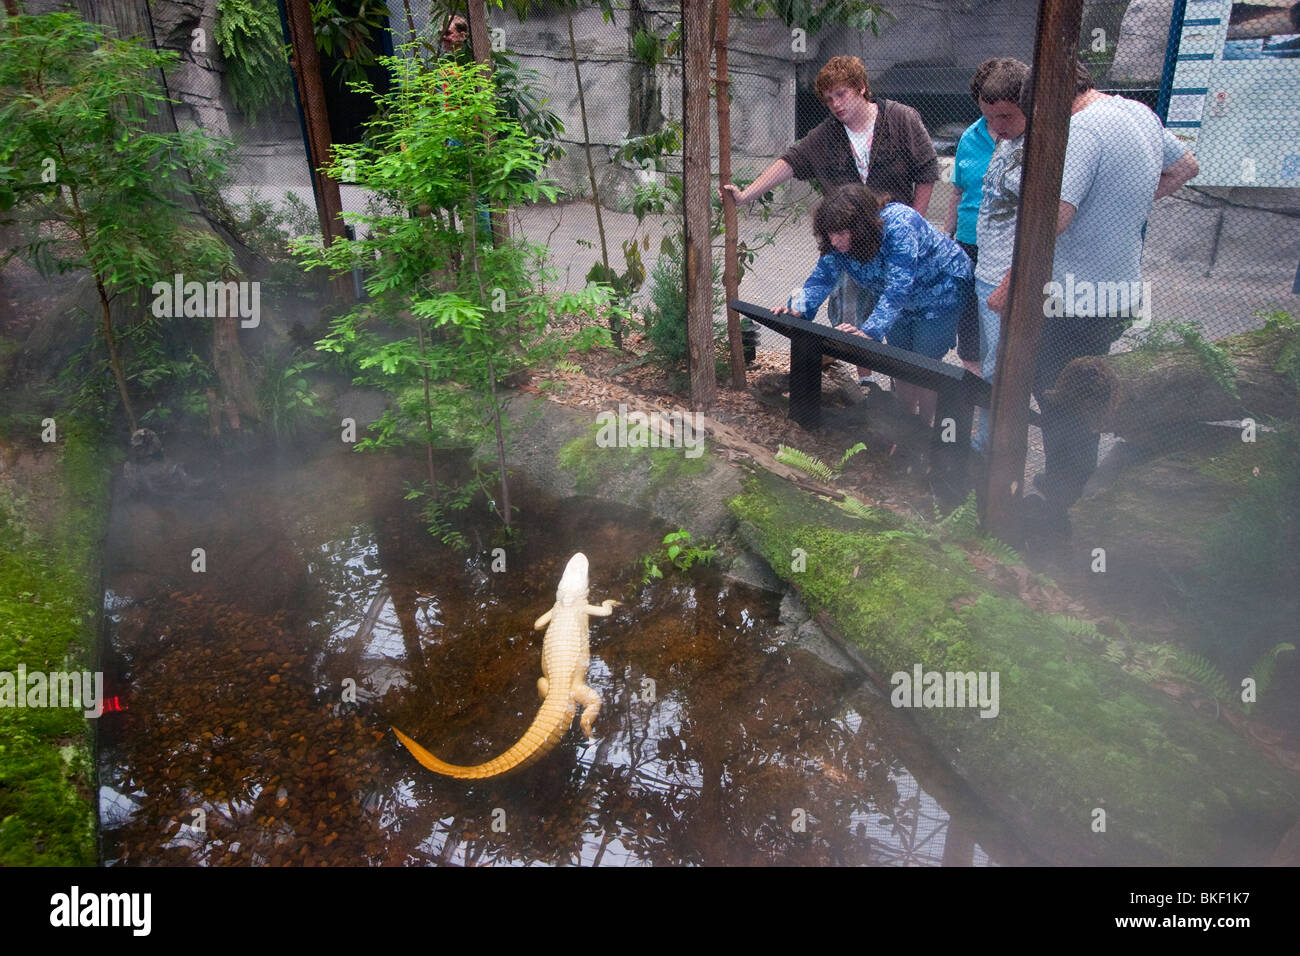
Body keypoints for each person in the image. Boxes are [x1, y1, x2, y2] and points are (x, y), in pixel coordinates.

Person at [986, 61, 1199, 532]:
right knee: (1077, 389)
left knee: (1062, 398)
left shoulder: (1079, 131)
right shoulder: (1139, 113)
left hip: (1072, 298)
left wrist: (1008, 285)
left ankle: (1058, 504)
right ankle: (1064, 493)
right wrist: (1122, 209)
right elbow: (1186, 165)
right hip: (1118, 291)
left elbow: (1050, 222)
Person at [721, 56, 939, 341]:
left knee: (896, 310)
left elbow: (926, 171)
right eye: (828, 99)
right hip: (849, 240)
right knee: (850, 314)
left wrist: (915, 225)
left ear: (861, 88)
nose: (836, 104)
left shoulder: (900, 118)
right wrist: (745, 195)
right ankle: (867, 380)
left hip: (892, 237)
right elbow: (790, 161)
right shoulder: (826, 135)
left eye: (841, 94)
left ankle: (895, 376)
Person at [775, 184, 973, 427]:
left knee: (925, 366)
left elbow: (898, 287)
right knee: (900, 364)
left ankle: (925, 431)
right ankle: (905, 428)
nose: (835, 240)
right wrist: (797, 310)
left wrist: (869, 332)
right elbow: (821, 278)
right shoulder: (836, 245)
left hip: (940, 294)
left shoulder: (900, 225)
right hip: (900, 304)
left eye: (841, 233)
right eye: (829, 233)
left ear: (860, 227)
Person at [964, 58, 1031, 452]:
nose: (998, 127)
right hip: (986, 271)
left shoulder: (1040, 149)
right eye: (990, 118)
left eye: (1005, 116)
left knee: (1001, 368)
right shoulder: (1005, 139)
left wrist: (1010, 280)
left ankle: (991, 448)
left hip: (1008, 277)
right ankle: (990, 442)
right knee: (992, 361)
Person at [944, 58, 1025, 378]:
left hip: (1008, 252)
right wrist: (946, 236)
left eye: (1002, 113)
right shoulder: (970, 137)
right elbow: (957, 191)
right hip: (968, 243)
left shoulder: (1026, 139)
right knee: (970, 325)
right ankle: (977, 391)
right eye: (986, 111)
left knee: (1002, 327)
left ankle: (998, 395)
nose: (994, 121)